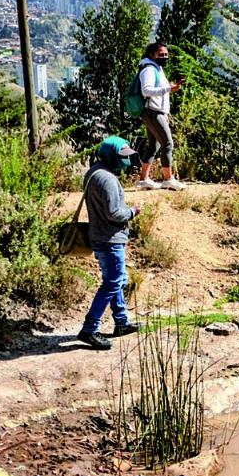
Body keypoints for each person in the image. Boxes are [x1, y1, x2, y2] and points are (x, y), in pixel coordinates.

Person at [77, 137, 143, 350]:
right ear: (111, 155)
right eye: (122, 156)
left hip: (99, 236)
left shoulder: (93, 173)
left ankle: (121, 323)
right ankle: (89, 329)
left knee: (116, 279)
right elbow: (115, 213)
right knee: (113, 283)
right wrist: (133, 211)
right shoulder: (108, 179)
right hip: (110, 239)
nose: (126, 160)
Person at [134, 42, 187, 191]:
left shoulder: (157, 69)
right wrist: (168, 89)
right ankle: (168, 179)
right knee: (168, 144)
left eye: (166, 54)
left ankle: (143, 180)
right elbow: (147, 91)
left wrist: (168, 88)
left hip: (156, 111)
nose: (164, 57)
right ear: (152, 55)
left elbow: (159, 91)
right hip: (152, 111)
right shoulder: (149, 70)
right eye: (161, 54)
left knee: (154, 145)